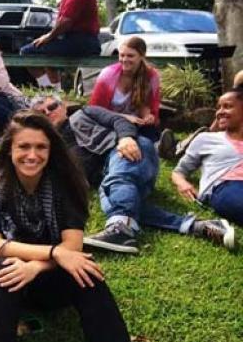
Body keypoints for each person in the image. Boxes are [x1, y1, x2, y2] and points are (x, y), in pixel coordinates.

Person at [0, 110, 134, 342]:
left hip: (45, 278)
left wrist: (35, 266)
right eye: (23, 146)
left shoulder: (66, 185)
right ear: (9, 150)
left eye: (40, 147)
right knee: (6, 267)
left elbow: (72, 249)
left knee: (85, 270)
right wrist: (54, 253)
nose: (32, 155)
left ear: (51, 151)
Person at [31, 94, 234, 253]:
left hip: (128, 150)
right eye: (42, 112)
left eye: (52, 107)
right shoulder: (51, 146)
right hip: (108, 178)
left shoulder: (85, 113)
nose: (49, 112)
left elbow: (120, 122)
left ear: (63, 107)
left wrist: (126, 138)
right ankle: (196, 226)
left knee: (119, 184)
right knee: (115, 198)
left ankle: (121, 229)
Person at [20, 0, 100, 91]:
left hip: (83, 41)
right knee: (47, 51)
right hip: (76, 39)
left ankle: (48, 90)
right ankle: (56, 91)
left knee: (27, 52)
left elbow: (66, 22)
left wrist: (48, 37)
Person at [172, 86, 243, 227]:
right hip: (226, 186)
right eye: (219, 107)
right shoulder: (206, 139)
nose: (220, 112)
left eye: (227, 106)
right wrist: (182, 183)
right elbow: (178, 171)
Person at [89, 36, 161, 141]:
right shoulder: (107, 75)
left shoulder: (151, 76)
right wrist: (124, 117)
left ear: (142, 56)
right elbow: (95, 112)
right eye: (122, 55)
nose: (125, 60)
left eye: (130, 56)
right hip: (110, 124)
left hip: (137, 124)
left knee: (148, 133)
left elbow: (148, 106)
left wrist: (148, 117)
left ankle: (162, 146)